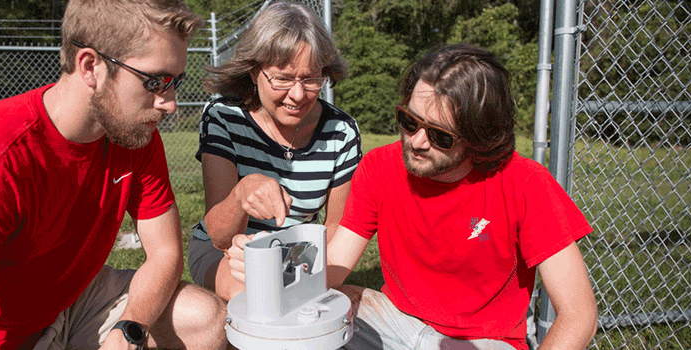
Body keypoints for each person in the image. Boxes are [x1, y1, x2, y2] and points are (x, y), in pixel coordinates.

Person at [0, 1, 228, 349]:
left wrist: (129, 329)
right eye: (156, 81)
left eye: (175, 81)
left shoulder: (135, 136)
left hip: (73, 300)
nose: (170, 102)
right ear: (90, 66)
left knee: (204, 320)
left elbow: (165, 254)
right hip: (1, 339)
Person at [326, 44, 599, 350]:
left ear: (478, 138)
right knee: (329, 309)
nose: (416, 142)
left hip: (481, 341)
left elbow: (579, 314)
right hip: (395, 321)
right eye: (409, 121)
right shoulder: (379, 167)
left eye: (440, 136)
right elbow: (335, 263)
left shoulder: (526, 184)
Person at [187, 1, 361, 302]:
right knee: (255, 299)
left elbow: (336, 226)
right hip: (228, 251)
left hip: (297, 254)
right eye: (283, 78)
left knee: (296, 305)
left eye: (310, 79)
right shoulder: (224, 118)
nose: (297, 94)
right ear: (255, 72)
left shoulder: (342, 132)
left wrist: (299, 267)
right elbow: (219, 235)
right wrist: (242, 195)